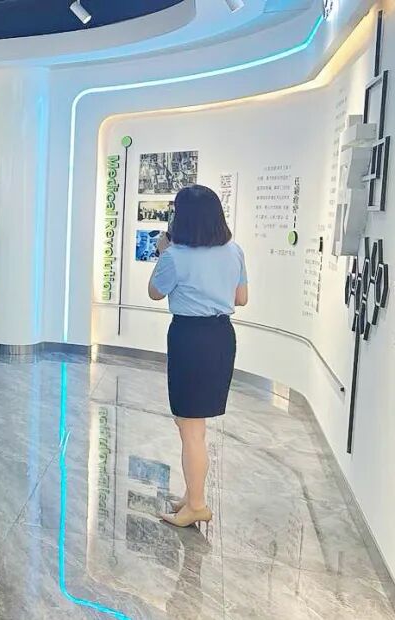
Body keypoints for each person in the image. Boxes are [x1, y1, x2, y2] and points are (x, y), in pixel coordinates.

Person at [148, 184, 248, 528]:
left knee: (190, 428)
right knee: (193, 425)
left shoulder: (175, 256)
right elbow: (241, 298)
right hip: (221, 337)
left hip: (190, 338)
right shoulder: (234, 251)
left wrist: (164, 251)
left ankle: (197, 505)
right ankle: (193, 495)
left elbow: (155, 292)